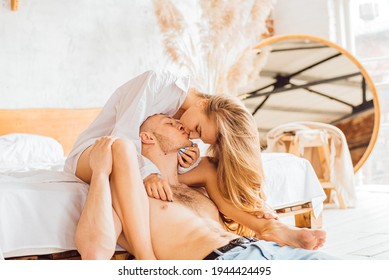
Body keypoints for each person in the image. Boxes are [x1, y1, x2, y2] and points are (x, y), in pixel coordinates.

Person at [66, 70, 274, 260]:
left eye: (200, 137)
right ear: (202, 104)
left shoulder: (182, 113)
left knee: (210, 166)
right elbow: (126, 136)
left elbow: (161, 145)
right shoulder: (155, 83)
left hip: (245, 251)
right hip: (93, 152)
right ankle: (146, 258)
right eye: (198, 130)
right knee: (122, 148)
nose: (192, 135)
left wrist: (185, 157)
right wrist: (149, 174)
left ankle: (269, 224)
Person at [82, 114, 333, 260]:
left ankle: (274, 228)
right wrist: (102, 173)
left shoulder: (196, 184)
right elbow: (96, 251)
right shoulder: (130, 190)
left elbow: (230, 184)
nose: (181, 124)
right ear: (146, 137)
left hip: (263, 249)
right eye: (169, 123)